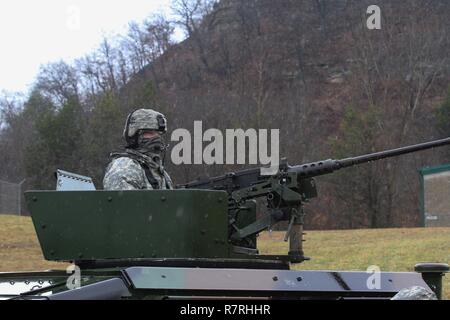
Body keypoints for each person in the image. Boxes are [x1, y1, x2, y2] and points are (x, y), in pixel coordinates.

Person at [103, 108, 173, 190]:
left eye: (159, 133)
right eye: (150, 133)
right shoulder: (125, 167)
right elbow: (123, 201)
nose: (157, 137)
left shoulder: (158, 170)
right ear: (134, 135)